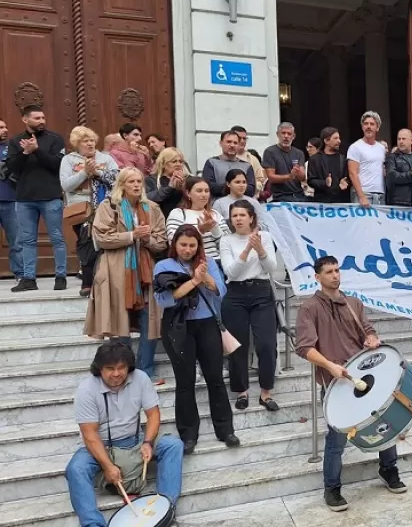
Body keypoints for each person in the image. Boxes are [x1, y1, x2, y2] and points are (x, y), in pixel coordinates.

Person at [294, 255, 406, 512]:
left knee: (384, 423)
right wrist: (330, 366)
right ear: (317, 277)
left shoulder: (353, 303)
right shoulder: (309, 308)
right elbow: (304, 348)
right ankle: (331, 488)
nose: (335, 275)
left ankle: (389, 470)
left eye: (337, 270)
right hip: (336, 382)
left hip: (366, 375)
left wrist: (372, 339)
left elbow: (368, 329)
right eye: (329, 272)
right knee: (337, 437)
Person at [65, 341, 184, 527]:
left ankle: (166, 510)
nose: (116, 374)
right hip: (102, 445)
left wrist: (148, 442)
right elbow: (89, 435)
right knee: (76, 469)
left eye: (122, 368)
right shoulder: (86, 389)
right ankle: (93, 524)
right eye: (110, 368)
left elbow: (153, 414)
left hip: (136, 439)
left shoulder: (141, 378)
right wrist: (107, 465)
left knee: (173, 445)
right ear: (99, 369)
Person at [154, 225, 240, 453]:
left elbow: (220, 290)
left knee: (215, 378)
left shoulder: (208, 262)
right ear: (175, 245)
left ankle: (226, 430)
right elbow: (165, 299)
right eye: (183, 245)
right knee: (185, 381)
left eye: (192, 245)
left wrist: (205, 278)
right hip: (177, 327)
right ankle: (188, 434)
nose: (188, 249)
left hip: (206, 324)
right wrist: (193, 281)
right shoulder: (163, 266)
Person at [85, 167, 168, 384]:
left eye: (139, 181)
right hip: (115, 268)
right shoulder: (108, 206)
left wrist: (147, 238)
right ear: (121, 184)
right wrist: (132, 235)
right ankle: (124, 370)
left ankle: (145, 371)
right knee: (118, 319)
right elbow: (102, 237)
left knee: (149, 320)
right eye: (131, 181)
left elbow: (162, 241)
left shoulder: (152, 208)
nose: (136, 185)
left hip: (145, 270)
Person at [220, 201, 279, 411]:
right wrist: (247, 249)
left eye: (242, 215)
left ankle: (266, 392)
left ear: (251, 217)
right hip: (235, 293)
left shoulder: (266, 237)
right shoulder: (226, 241)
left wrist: (260, 249)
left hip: (261, 292)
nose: (238, 219)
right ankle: (241, 391)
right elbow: (231, 272)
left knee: (266, 344)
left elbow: (272, 267)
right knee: (238, 346)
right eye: (234, 215)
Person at [5, 105, 68, 292]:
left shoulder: (55, 139)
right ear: (25, 120)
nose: (42, 121)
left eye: (43, 117)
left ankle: (61, 276)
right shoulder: (16, 141)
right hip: (25, 198)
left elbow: (58, 164)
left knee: (57, 238)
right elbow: (12, 167)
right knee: (27, 240)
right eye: (37, 118)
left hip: (51, 197)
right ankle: (29, 278)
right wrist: (25, 153)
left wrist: (37, 150)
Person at [60, 126, 119, 297]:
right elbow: (66, 185)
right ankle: (87, 282)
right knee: (86, 242)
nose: (90, 143)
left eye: (92, 140)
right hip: (81, 210)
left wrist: (98, 172)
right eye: (86, 141)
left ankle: (104, 280)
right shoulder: (69, 160)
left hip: (104, 207)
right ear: (77, 144)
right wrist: (85, 173)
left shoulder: (106, 159)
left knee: (104, 242)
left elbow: (117, 180)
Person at [166, 177, 230, 266]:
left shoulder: (216, 214)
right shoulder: (178, 213)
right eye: (199, 191)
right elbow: (173, 242)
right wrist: (200, 231)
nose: (204, 195)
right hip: (190, 264)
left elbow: (227, 245)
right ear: (188, 193)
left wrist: (214, 228)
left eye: (206, 191)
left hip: (216, 262)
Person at [348, 111, 387, 207]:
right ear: (362, 127)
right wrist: (361, 196)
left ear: (377, 128)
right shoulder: (355, 147)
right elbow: (353, 173)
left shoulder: (381, 148)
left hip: (380, 195)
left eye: (372, 124)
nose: (368, 126)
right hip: (363, 194)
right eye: (366, 124)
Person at [203, 130, 256, 200]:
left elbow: (251, 190)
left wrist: (226, 188)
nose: (232, 145)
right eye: (228, 142)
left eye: (235, 143)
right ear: (221, 143)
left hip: (242, 206)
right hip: (217, 206)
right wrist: (237, 188)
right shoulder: (211, 162)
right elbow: (209, 187)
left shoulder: (247, 166)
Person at [0, 118, 22, 282]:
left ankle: (20, 273)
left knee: (16, 240)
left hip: (10, 199)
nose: (5, 130)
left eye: (5, 126)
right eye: (1, 128)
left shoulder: (12, 147)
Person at [263, 122, 307, 203]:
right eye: (283, 133)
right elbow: (271, 177)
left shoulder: (299, 153)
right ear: (277, 134)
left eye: (289, 134)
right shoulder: (270, 152)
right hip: (280, 196)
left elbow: (302, 178)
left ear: (293, 136)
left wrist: (298, 172)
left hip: (299, 195)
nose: (286, 136)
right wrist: (290, 176)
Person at [307, 127, 351, 204]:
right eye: (336, 138)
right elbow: (311, 180)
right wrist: (325, 183)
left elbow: (349, 177)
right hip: (321, 203)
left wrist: (346, 183)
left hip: (341, 203)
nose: (339, 141)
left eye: (339, 138)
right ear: (326, 141)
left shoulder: (343, 159)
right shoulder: (315, 159)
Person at [385, 129, 412, 207]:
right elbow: (393, 176)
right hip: (398, 202)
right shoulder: (392, 157)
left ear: (411, 141)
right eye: (399, 139)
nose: (401, 141)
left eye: (403, 139)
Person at [146, 147, 187, 219]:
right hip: (160, 220)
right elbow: (149, 199)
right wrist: (170, 187)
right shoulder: (151, 180)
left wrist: (184, 186)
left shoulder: (187, 180)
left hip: (181, 219)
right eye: (174, 161)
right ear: (163, 164)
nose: (178, 164)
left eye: (180, 161)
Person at [230, 125, 266, 198]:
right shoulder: (225, 158)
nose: (242, 141)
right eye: (239, 138)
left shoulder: (253, 159)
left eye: (244, 138)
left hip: (250, 200)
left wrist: (247, 186)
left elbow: (261, 181)